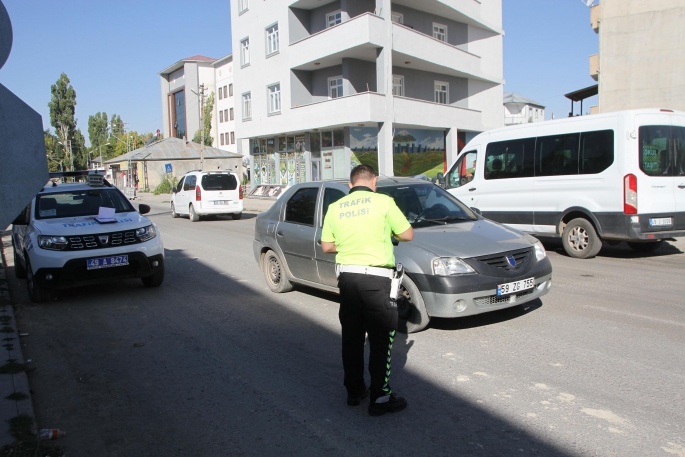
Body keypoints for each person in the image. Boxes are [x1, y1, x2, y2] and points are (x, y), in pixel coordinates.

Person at [321, 164, 414, 416]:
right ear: (374, 181)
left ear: (351, 185)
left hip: (348, 280)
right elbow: (407, 234)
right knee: (381, 340)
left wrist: (351, 243)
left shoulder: (335, 207)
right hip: (377, 280)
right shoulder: (383, 201)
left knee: (352, 339)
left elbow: (327, 246)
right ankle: (380, 398)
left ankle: (354, 391)